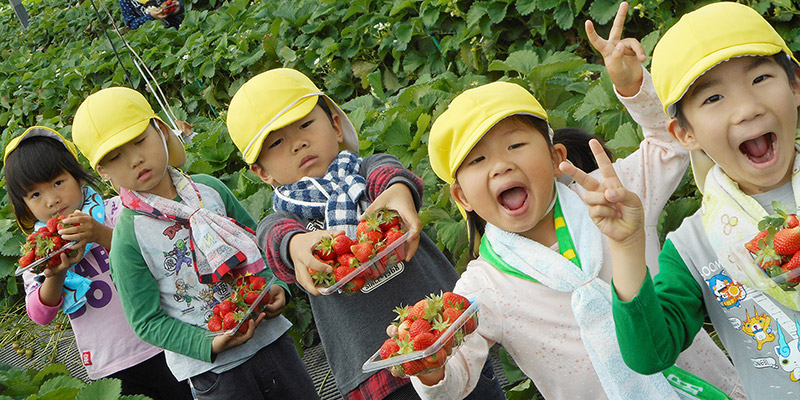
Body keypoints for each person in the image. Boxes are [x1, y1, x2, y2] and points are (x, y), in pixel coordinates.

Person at [410, 3, 745, 399]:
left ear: (556, 158)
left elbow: (668, 142)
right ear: (462, 196)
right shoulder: (485, 287)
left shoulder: (613, 196)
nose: (500, 166)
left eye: (516, 145)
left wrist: (633, 87)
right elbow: (454, 382)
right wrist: (429, 367)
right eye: (478, 160)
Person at [224, 68, 506, 400]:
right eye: (276, 142)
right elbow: (272, 236)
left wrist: (398, 191)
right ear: (261, 172)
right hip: (374, 367)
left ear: (334, 123)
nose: (298, 143)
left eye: (304, 124)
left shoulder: (366, 173)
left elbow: (389, 172)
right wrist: (295, 244)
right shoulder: (288, 219)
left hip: (443, 332)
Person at [574, 3, 800, 398]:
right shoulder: (695, 247)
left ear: (796, 84)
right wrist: (627, 247)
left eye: (761, 77)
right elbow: (649, 355)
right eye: (713, 99)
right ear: (684, 134)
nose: (747, 109)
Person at [71, 87, 319, 400]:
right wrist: (208, 344)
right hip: (214, 373)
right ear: (102, 171)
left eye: (139, 141)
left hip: (272, 341)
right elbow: (146, 321)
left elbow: (261, 243)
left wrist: (276, 286)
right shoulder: (128, 236)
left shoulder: (210, 191)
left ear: (160, 130)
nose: (135, 159)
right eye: (116, 156)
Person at [4, 126, 192, 399]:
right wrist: (55, 274)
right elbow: (40, 315)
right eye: (35, 195)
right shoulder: (38, 252)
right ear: (24, 205)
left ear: (77, 176)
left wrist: (101, 234)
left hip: (167, 338)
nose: (52, 199)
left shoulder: (119, 211)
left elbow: (161, 255)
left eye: (58, 183)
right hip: (112, 362)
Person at [119, 0, 183, 30]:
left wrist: (178, 7)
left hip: (178, 27)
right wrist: (150, 17)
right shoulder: (125, 1)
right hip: (153, 37)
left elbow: (179, 4)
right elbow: (132, 24)